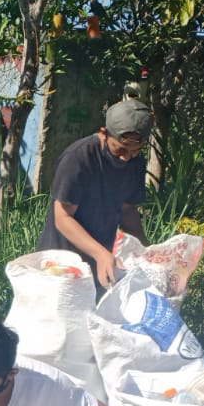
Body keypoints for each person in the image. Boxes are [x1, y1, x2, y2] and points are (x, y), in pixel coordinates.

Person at [36, 98, 153, 288]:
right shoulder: (78, 159)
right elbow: (63, 217)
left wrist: (145, 249)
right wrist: (100, 253)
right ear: (104, 133)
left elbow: (127, 209)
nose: (125, 157)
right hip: (60, 264)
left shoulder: (136, 162)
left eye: (134, 151)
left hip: (101, 263)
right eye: (120, 149)